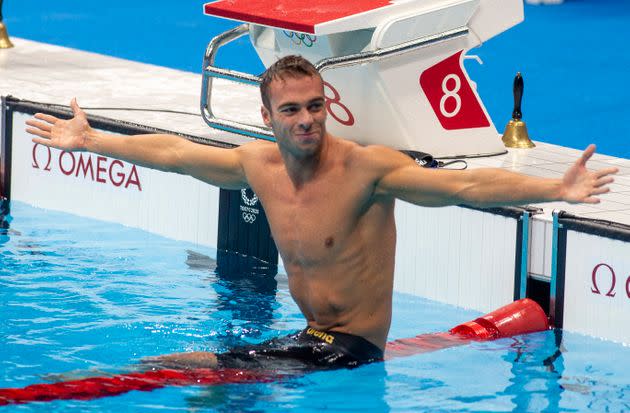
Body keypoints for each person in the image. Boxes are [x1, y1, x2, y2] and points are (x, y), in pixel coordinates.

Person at [26, 55, 617, 371]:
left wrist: (555, 191)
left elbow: (459, 189)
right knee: (213, 380)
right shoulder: (259, 167)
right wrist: (93, 140)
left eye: (315, 106)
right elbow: (178, 155)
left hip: (353, 350)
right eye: (291, 110)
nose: (307, 119)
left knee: (186, 369)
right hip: (310, 340)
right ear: (268, 118)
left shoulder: (366, 171)